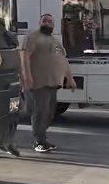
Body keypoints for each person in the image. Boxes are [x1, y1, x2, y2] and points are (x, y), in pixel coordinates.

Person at [22, 13, 76, 153]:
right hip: (38, 83)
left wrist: (70, 79)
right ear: (40, 22)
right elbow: (25, 57)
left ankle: (42, 138)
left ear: (53, 24)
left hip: (52, 84)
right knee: (40, 112)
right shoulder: (32, 37)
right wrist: (27, 76)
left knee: (49, 113)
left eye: (49, 21)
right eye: (44, 21)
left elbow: (63, 61)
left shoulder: (55, 41)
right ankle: (38, 141)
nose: (46, 23)